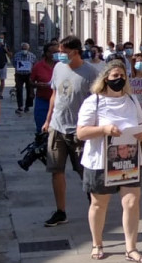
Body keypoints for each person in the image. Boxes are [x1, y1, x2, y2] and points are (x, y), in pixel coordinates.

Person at [75, 59, 142, 263]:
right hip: (100, 161)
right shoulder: (94, 101)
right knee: (99, 203)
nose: (119, 79)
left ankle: (131, 248)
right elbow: (81, 132)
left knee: (131, 202)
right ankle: (97, 243)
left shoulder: (131, 100)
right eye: (115, 75)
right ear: (105, 78)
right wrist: (104, 129)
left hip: (128, 160)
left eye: (122, 75)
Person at [42, 35, 100, 227]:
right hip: (57, 127)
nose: (60, 55)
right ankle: (60, 211)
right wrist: (48, 119)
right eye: (59, 51)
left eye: (64, 52)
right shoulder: (58, 68)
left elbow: (98, 102)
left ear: (76, 52)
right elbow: (55, 94)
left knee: (84, 171)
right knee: (56, 170)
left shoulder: (90, 73)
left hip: (79, 131)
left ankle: (95, 207)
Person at [29, 41, 57, 134]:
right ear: (46, 53)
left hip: (58, 100)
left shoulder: (62, 64)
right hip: (42, 99)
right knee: (41, 125)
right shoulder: (38, 66)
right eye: (51, 52)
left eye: (56, 52)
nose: (54, 54)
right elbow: (31, 81)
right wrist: (37, 85)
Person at [12, 42, 35, 114]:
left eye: (26, 49)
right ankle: (20, 106)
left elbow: (34, 64)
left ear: (28, 49)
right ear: (21, 48)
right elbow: (14, 64)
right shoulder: (17, 55)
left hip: (29, 75)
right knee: (19, 90)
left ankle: (27, 106)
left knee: (29, 90)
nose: (24, 50)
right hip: (19, 75)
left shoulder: (32, 56)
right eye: (23, 48)